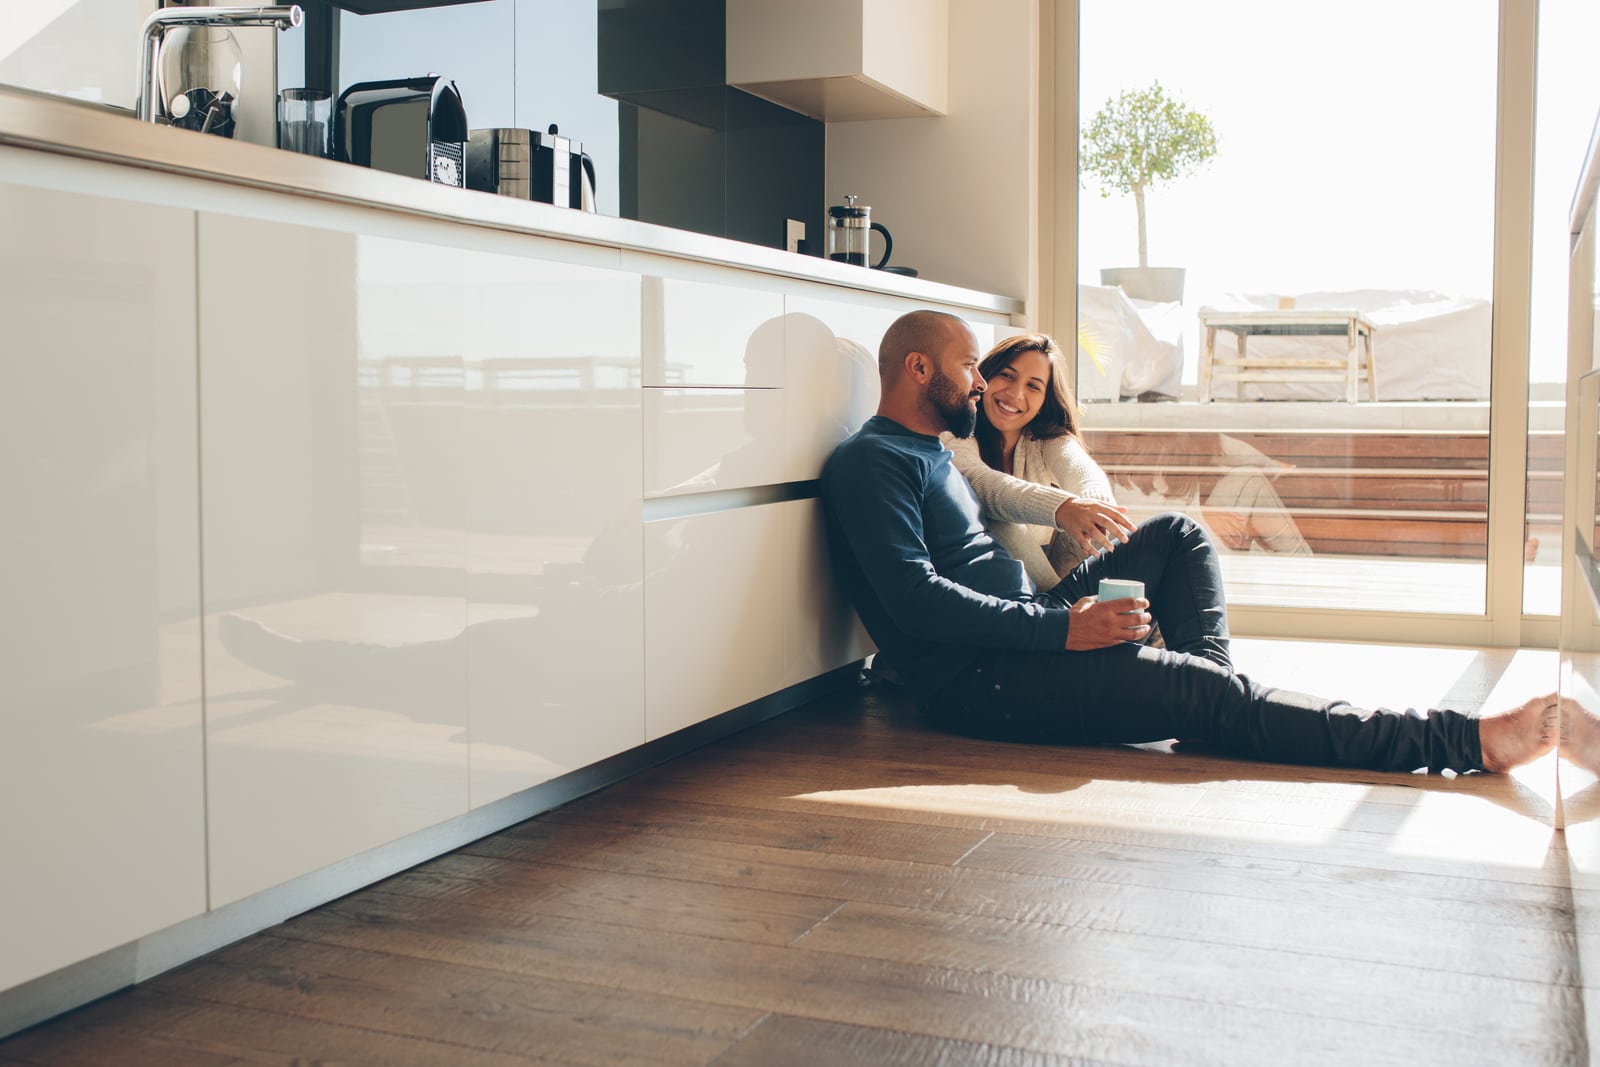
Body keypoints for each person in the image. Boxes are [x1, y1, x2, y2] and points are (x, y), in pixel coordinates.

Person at [820, 308, 1555, 774]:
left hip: (1028, 634)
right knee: (1205, 691)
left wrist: (1061, 615)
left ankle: (1207, 702)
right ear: (919, 369)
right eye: (969, 366)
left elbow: (1016, 506)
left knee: (1178, 535)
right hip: (985, 682)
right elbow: (914, 602)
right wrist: (1062, 630)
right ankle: (1462, 743)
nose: (980, 383)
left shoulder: (937, 454)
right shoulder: (869, 462)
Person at [939, 332, 1123, 591]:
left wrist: (1098, 509)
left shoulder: (1045, 439)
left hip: (1053, 573)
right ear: (985, 377)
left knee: (1178, 529)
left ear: (1044, 401)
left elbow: (1081, 471)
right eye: (1007, 375)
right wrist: (1063, 507)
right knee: (1000, 518)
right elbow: (979, 482)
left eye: (1033, 386)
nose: (1015, 393)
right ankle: (1061, 610)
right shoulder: (956, 434)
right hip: (990, 585)